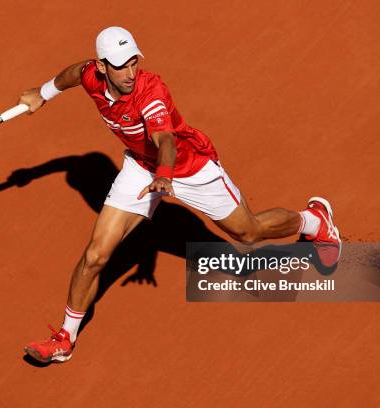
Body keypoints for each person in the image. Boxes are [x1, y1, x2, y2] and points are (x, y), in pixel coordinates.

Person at [18, 26, 341, 363]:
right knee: (96, 255)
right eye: (120, 66)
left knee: (248, 234)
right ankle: (64, 338)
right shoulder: (90, 76)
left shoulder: (151, 90)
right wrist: (43, 92)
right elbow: (74, 72)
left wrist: (164, 175)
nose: (130, 72)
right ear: (101, 68)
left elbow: (166, 142)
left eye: (133, 62)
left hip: (189, 169)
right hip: (142, 168)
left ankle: (314, 220)